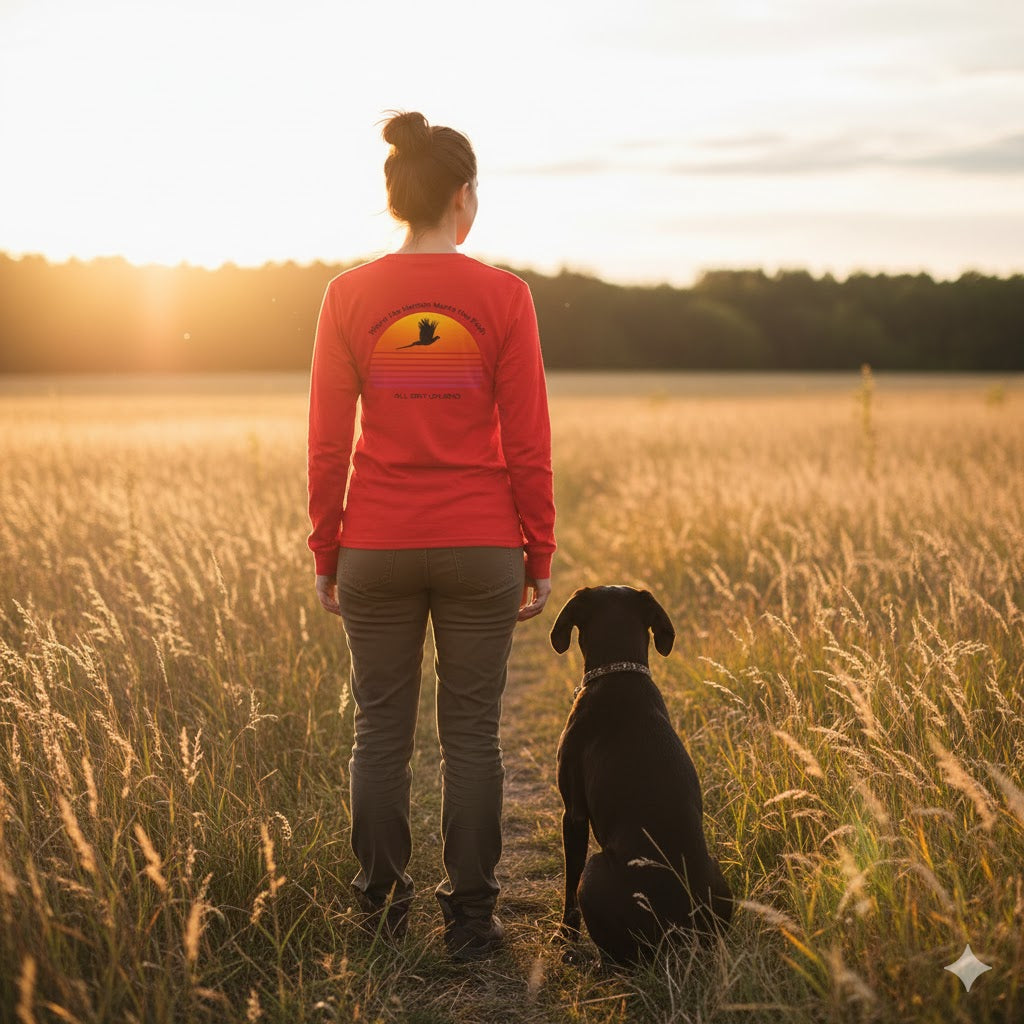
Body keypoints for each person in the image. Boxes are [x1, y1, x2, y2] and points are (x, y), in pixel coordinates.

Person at [306, 111, 555, 961]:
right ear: (463, 197)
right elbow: (528, 439)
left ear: (395, 198)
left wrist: (325, 549)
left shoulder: (347, 296)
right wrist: (539, 552)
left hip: (375, 542)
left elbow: (327, 441)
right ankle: (473, 920)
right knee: (474, 733)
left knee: (379, 732)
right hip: (483, 543)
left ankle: (378, 909)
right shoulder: (505, 297)